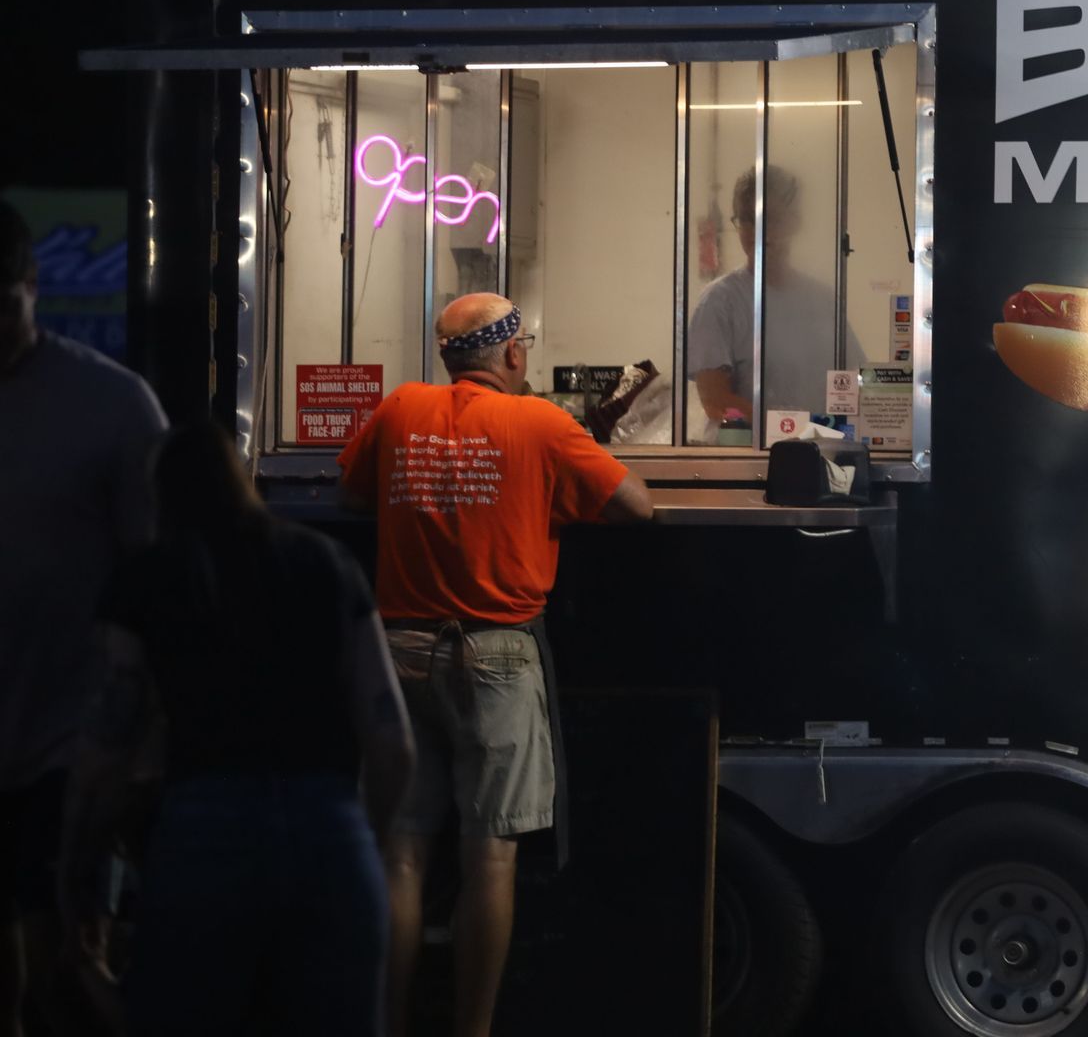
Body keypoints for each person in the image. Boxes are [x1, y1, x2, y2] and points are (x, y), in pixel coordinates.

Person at [337, 292, 653, 1037]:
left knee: (404, 852)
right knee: (490, 859)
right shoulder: (540, 422)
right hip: (498, 658)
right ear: (513, 354)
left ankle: (387, 1024)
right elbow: (635, 507)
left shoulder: (398, 409)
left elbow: (353, 497)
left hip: (399, 652)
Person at [60, 421, 415, 1037]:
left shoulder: (148, 578)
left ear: (160, 497)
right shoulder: (326, 563)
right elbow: (393, 744)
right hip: (329, 833)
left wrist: (74, 866)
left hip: (204, 834)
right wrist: (365, 838)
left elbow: (104, 752)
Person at [0, 196, 167, 1037]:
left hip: (74, 731)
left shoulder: (110, 406)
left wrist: (143, 739)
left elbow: (159, 578)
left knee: (65, 957)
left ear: (32, 286)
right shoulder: (113, 406)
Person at [688, 166, 867, 441]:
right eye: (747, 220)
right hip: (745, 460)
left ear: (795, 222)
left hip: (818, 454)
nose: (758, 231)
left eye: (770, 219)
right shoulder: (719, 302)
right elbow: (715, 400)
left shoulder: (822, 300)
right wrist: (791, 431)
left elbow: (856, 382)